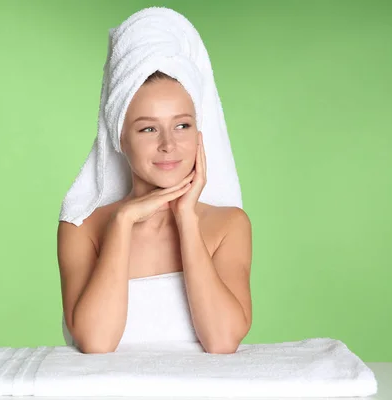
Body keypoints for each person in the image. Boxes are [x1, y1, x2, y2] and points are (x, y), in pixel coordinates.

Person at [57, 70, 252, 354]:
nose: (168, 145)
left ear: (200, 137)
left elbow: (222, 341)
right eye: (148, 129)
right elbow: (96, 344)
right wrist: (122, 223)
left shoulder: (229, 225)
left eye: (182, 125)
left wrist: (186, 218)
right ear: (120, 140)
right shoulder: (81, 227)